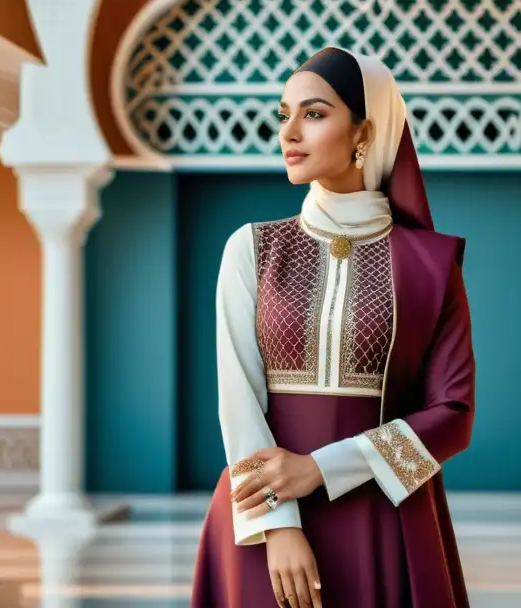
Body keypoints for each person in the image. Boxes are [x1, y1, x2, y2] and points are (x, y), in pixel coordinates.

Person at [190, 47, 475, 608]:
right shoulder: (252, 248)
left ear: (363, 132)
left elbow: (454, 417)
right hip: (261, 522)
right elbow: (237, 398)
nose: (289, 132)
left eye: (314, 114)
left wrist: (319, 470)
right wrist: (280, 523)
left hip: (387, 518)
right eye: (283, 114)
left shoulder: (432, 266)